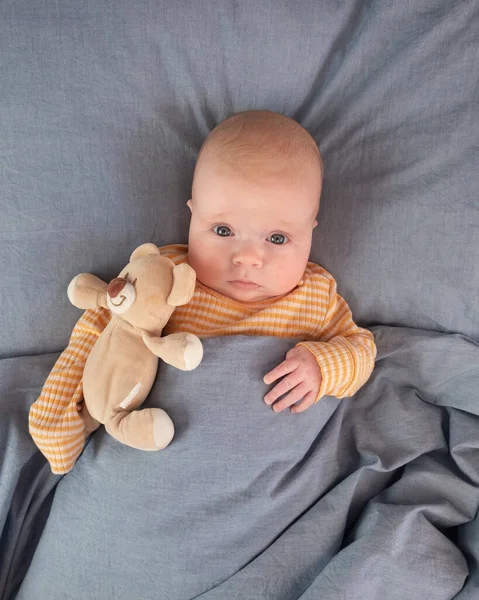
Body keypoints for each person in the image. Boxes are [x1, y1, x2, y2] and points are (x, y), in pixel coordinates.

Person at [29, 110, 377, 474]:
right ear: (193, 215)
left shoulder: (316, 295)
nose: (247, 258)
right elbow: (95, 336)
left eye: (277, 238)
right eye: (223, 230)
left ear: (311, 231)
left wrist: (323, 367)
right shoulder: (165, 277)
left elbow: (361, 349)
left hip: (268, 469)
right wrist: (56, 419)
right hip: (156, 459)